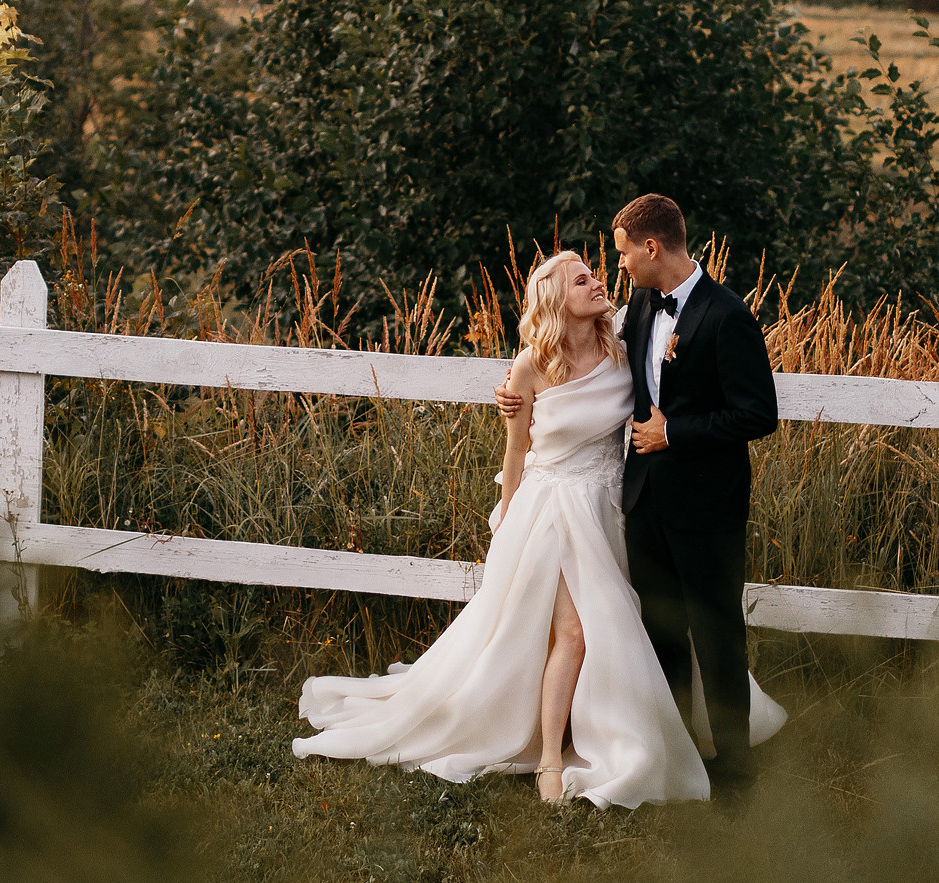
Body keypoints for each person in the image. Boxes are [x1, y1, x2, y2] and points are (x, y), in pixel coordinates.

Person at [291, 239, 782, 807]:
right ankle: (551, 757)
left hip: (616, 507)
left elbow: (676, 384)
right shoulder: (529, 367)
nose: (601, 280)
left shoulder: (622, 338)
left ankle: (637, 734)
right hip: (554, 511)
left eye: (599, 271)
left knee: (630, 629)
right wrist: (508, 513)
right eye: (582, 280)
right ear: (554, 298)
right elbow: (516, 452)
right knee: (573, 634)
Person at [609, 192, 781, 792]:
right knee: (661, 634)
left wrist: (673, 431)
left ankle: (735, 772)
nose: (621, 265)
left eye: (625, 253)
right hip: (646, 503)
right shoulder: (638, 305)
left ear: (652, 247)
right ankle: (677, 760)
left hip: (707, 509)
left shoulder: (727, 315)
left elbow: (758, 414)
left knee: (716, 636)